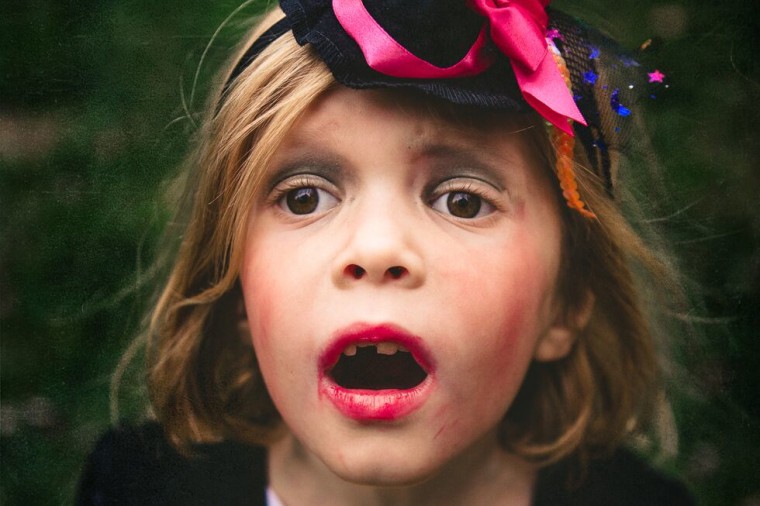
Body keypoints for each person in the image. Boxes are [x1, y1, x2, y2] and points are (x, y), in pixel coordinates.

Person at [78, 0, 695, 504]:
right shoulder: (139, 489)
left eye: (462, 201)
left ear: (566, 300)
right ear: (236, 281)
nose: (376, 249)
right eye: (303, 198)